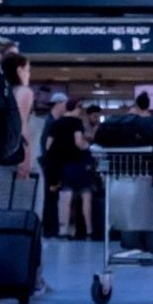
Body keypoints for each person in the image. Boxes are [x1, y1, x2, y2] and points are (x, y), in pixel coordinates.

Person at [43, 95, 93, 238]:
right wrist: (87, 146)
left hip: (63, 164)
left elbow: (48, 145)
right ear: (77, 108)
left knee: (65, 197)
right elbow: (78, 142)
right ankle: (88, 230)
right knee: (85, 196)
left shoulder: (56, 123)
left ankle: (63, 229)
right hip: (78, 163)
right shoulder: (77, 122)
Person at [0, 52, 38, 210]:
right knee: (18, 202)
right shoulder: (24, 92)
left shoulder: (3, 90)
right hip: (16, 151)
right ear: (19, 70)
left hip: (0, 150)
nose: (29, 74)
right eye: (28, 70)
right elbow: (21, 124)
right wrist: (26, 157)